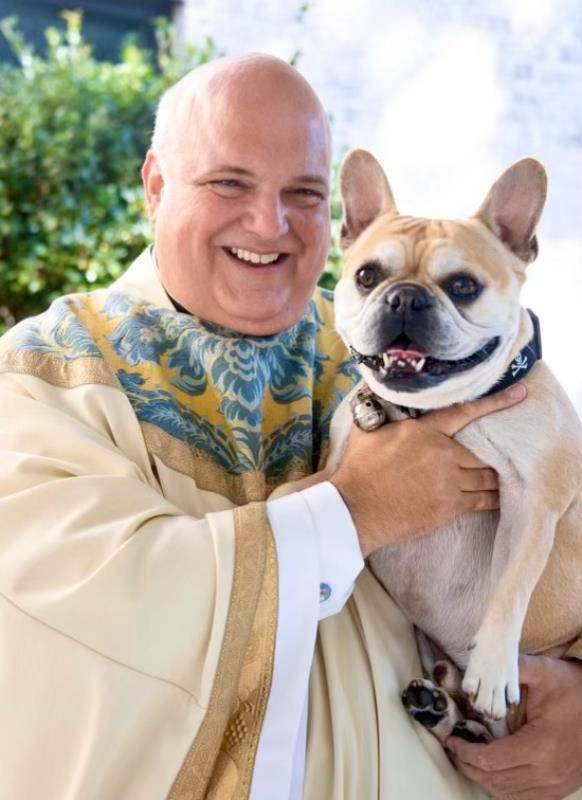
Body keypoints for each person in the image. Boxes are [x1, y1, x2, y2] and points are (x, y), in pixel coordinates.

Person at [0, 53, 580, 800]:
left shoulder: (415, 360)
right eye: (228, 183)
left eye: (303, 194)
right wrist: (353, 511)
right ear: (154, 186)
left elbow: (562, 526)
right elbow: (75, 606)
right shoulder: (49, 373)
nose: (268, 224)